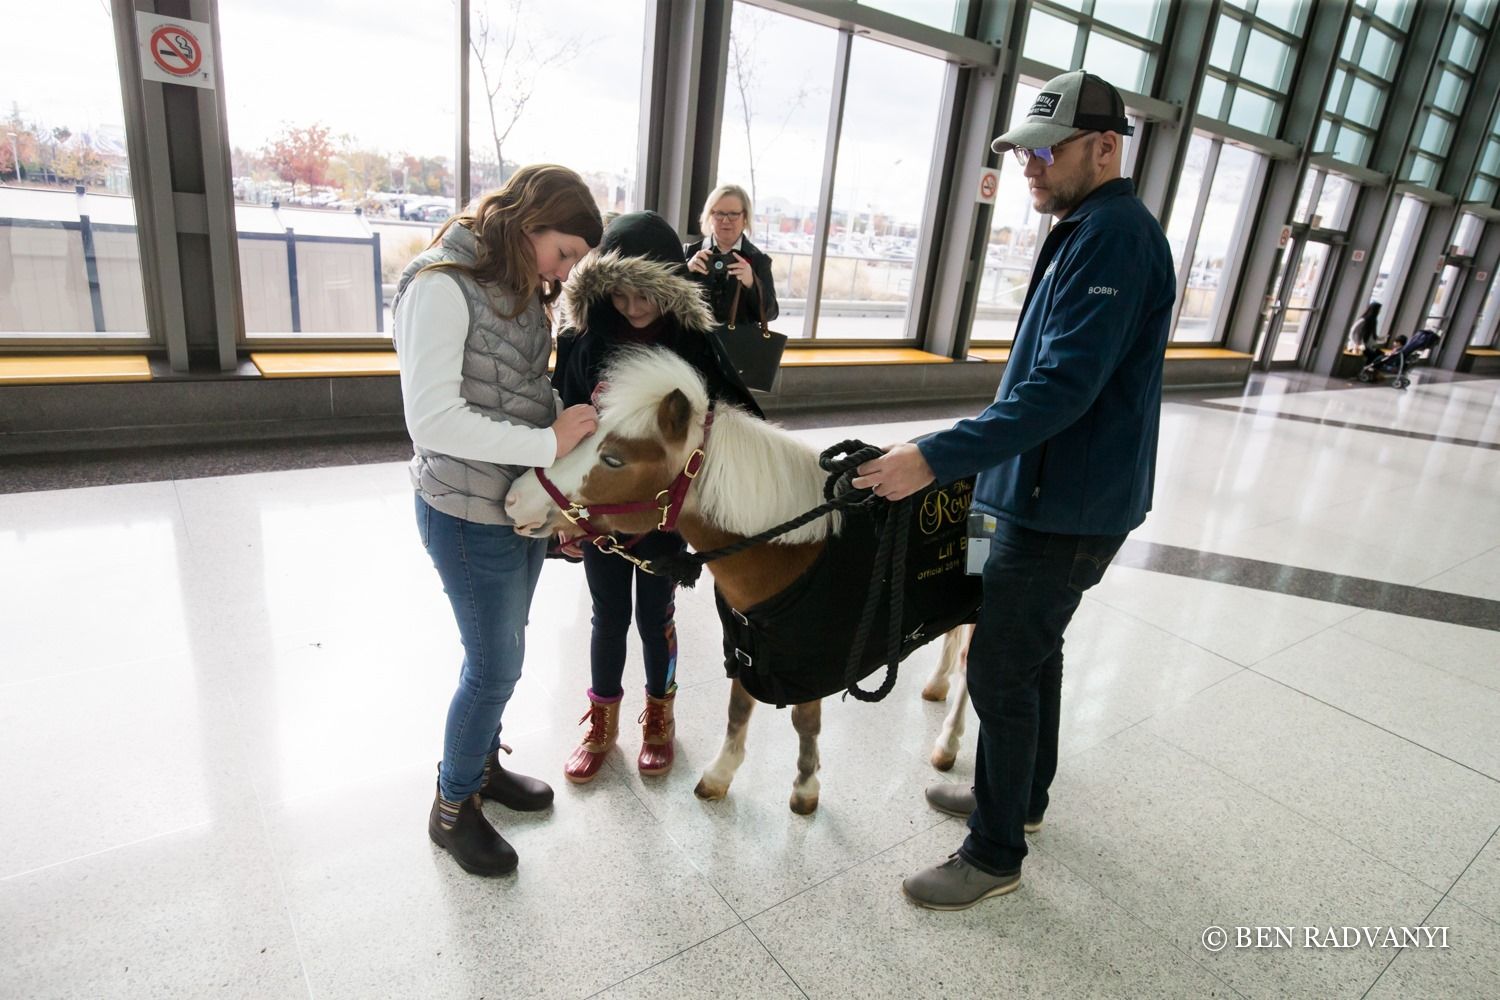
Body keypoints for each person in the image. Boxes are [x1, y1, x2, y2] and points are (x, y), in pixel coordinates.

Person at [852, 70, 1176, 910]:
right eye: (1021, 152)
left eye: (1045, 149)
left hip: (1067, 506)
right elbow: (1041, 384)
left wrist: (937, 456)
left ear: (1106, 146)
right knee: (1034, 655)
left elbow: (1063, 389)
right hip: (1048, 492)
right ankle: (1020, 800)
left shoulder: (1114, 236)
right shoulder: (1089, 226)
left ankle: (994, 853)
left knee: (1000, 670)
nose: (1029, 166)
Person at [393, 164, 604, 877]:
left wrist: (561, 431)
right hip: (462, 507)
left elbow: (513, 390)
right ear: (530, 220)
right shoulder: (440, 286)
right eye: (566, 251)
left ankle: (482, 769)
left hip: (514, 501)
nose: (566, 269)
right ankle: (451, 810)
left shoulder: (517, 286)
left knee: (500, 652)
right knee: (494, 665)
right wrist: (549, 442)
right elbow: (433, 420)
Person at [552, 211, 760, 784]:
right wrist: (568, 514)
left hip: (666, 510)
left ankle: (660, 717)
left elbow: (726, 424)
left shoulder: (692, 341)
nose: (633, 308)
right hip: (602, 505)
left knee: (655, 614)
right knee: (607, 614)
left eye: (646, 294)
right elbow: (568, 429)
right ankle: (601, 723)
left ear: (670, 287)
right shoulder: (586, 341)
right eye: (618, 295)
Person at [684, 184, 780, 327]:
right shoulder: (691, 252)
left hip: (738, 345)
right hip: (695, 342)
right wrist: (686, 271)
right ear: (710, 216)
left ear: (745, 217)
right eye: (719, 213)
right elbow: (666, 304)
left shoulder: (758, 260)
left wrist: (751, 283)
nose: (726, 220)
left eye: (733, 214)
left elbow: (770, 314)